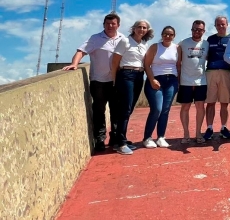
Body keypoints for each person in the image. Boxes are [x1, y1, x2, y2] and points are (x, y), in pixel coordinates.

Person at [63, 13, 125, 151]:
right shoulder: (95, 39)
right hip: (99, 81)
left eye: (113, 24)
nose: (110, 26)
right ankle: (100, 139)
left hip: (116, 80)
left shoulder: (123, 39)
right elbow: (80, 51)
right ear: (104, 25)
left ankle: (115, 138)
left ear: (118, 25)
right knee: (99, 110)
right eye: (107, 24)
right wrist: (74, 64)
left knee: (116, 111)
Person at [110, 19, 153, 155]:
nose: (141, 29)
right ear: (133, 28)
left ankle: (120, 138)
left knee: (129, 109)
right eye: (139, 27)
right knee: (125, 108)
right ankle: (121, 144)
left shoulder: (144, 44)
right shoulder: (125, 41)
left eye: (144, 28)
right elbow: (115, 61)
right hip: (126, 74)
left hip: (139, 76)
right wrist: (114, 81)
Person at [142, 26, 180, 149]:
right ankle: (147, 138)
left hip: (172, 81)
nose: (167, 36)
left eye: (170, 34)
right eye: (165, 34)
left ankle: (160, 137)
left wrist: (178, 81)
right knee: (157, 109)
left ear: (174, 36)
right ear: (162, 35)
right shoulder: (155, 47)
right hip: (156, 80)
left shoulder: (177, 48)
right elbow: (146, 64)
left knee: (165, 110)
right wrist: (152, 79)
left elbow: (178, 65)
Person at [177, 20, 209, 144]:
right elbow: (178, 63)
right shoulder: (183, 44)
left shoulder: (206, 44)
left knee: (200, 107)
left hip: (201, 81)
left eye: (200, 30)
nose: (197, 32)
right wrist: (179, 80)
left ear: (203, 31)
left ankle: (198, 133)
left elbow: (209, 60)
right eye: (195, 29)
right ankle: (186, 133)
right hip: (185, 81)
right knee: (185, 107)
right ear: (191, 30)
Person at [203, 16, 230, 141]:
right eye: (218, 24)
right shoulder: (210, 39)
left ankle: (223, 128)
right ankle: (209, 128)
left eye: (223, 24)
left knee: (224, 103)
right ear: (215, 26)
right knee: (210, 103)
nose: (221, 26)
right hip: (211, 72)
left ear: (227, 24)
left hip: (226, 73)